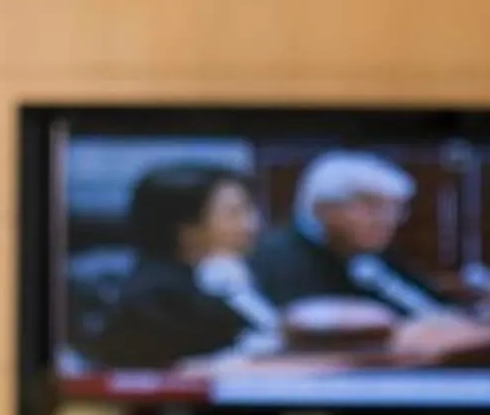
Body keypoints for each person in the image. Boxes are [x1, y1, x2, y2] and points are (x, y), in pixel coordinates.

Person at [80, 163, 282, 370]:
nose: (253, 225)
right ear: (187, 230)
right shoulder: (158, 301)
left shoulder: (225, 275)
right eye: (235, 213)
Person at [249, 151, 459, 318]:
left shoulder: (368, 251)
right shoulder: (281, 260)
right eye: (371, 206)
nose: (387, 220)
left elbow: (434, 305)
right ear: (324, 208)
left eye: (395, 209)